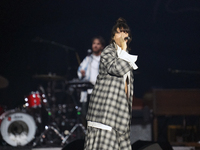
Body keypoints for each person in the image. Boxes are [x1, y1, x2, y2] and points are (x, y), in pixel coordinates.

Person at [84, 17, 138, 150]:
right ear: (113, 36)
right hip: (105, 114)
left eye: (125, 32)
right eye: (118, 32)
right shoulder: (109, 51)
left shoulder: (126, 57)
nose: (122, 35)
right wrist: (124, 50)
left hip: (119, 115)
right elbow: (117, 69)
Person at [77, 36, 105, 125]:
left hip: (100, 93)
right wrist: (81, 73)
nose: (95, 46)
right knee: (85, 116)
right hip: (87, 92)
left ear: (102, 46)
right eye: (94, 43)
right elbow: (80, 70)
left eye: (98, 44)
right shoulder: (88, 59)